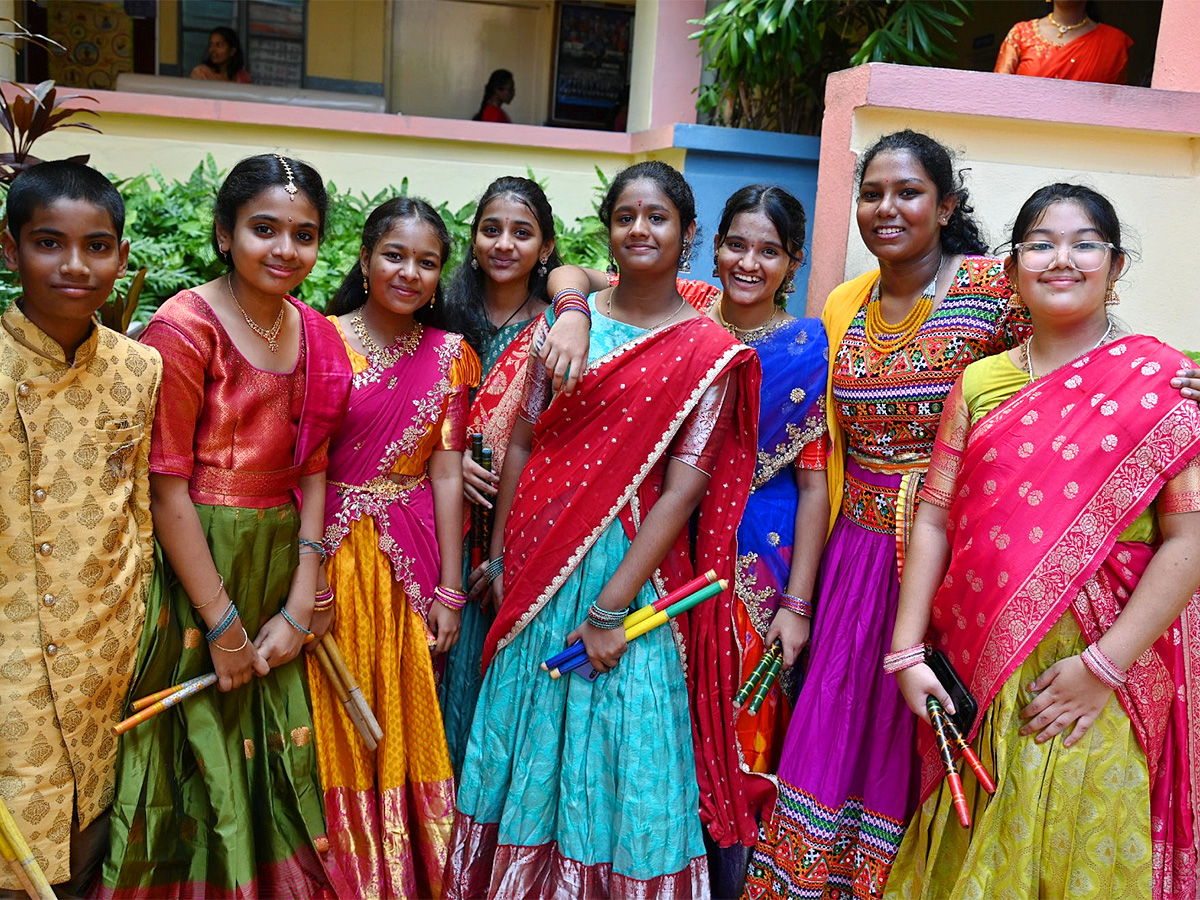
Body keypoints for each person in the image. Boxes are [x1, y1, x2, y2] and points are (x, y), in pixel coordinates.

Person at [443, 160, 761, 898]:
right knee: (523, 738)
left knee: (628, 748)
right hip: (536, 558)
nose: (640, 229)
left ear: (687, 236)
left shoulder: (708, 352)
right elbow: (523, 438)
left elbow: (684, 490)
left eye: (658, 218)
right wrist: (500, 556)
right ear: (608, 229)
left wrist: (612, 610)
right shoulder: (568, 317)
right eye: (626, 217)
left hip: (630, 572)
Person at [886, 183, 1200, 900]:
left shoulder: (1163, 384)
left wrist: (1103, 668)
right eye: (1041, 244)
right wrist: (906, 650)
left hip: (1102, 678)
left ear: (1116, 267)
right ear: (1011, 269)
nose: (1063, 259)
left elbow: (1191, 536)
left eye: (1085, 243)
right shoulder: (980, 383)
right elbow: (934, 518)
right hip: (983, 670)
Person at [100, 154, 352, 899]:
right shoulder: (184, 327)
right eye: (264, 229)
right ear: (223, 233)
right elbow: (166, 486)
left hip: (281, 553)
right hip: (199, 563)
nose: (285, 249)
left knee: (272, 747)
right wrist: (222, 624)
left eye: (304, 235)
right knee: (196, 745)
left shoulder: (315, 332)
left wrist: (302, 601)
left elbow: (314, 471)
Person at [0, 161, 161, 899]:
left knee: (89, 856)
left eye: (97, 246)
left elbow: (141, 512)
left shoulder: (139, 369)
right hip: (11, 669)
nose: (74, 265)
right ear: (11, 250)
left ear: (121, 258)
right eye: (48, 243)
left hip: (104, 663)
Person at [310, 196, 479, 898]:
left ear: (441, 276)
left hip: (409, 562)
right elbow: (307, 462)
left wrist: (449, 588)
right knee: (330, 715)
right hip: (326, 555)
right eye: (395, 255)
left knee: (404, 715)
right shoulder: (317, 338)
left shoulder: (450, 356)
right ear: (365, 258)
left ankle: (402, 875)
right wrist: (308, 571)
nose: (409, 272)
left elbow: (446, 470)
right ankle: (338, 874)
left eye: (427, 261)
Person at [699, 185, 830, 896]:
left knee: (742, 730)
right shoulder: (683, 312)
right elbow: (584, 279)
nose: (749, 262)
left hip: (762, 560)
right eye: (736, 245)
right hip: (673, 549)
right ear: (713, 246)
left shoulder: (806, 348)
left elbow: (813, 487)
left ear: (793, 261)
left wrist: (798, 603)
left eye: (769, 251)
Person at [435, 175, 560, 777]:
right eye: (491, 229)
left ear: (547, 246)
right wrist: (448, 458)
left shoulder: (559, 328)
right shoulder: (439, 313)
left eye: (522, 232)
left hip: (515, 531)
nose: (504, 244)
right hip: (433, 523)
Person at [994, 1, 1131, 84]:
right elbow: (999, 93)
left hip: (1081, 130)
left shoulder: (1113, 43)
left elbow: (1112, 109)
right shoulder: (1021, 33)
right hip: (1023, 129)